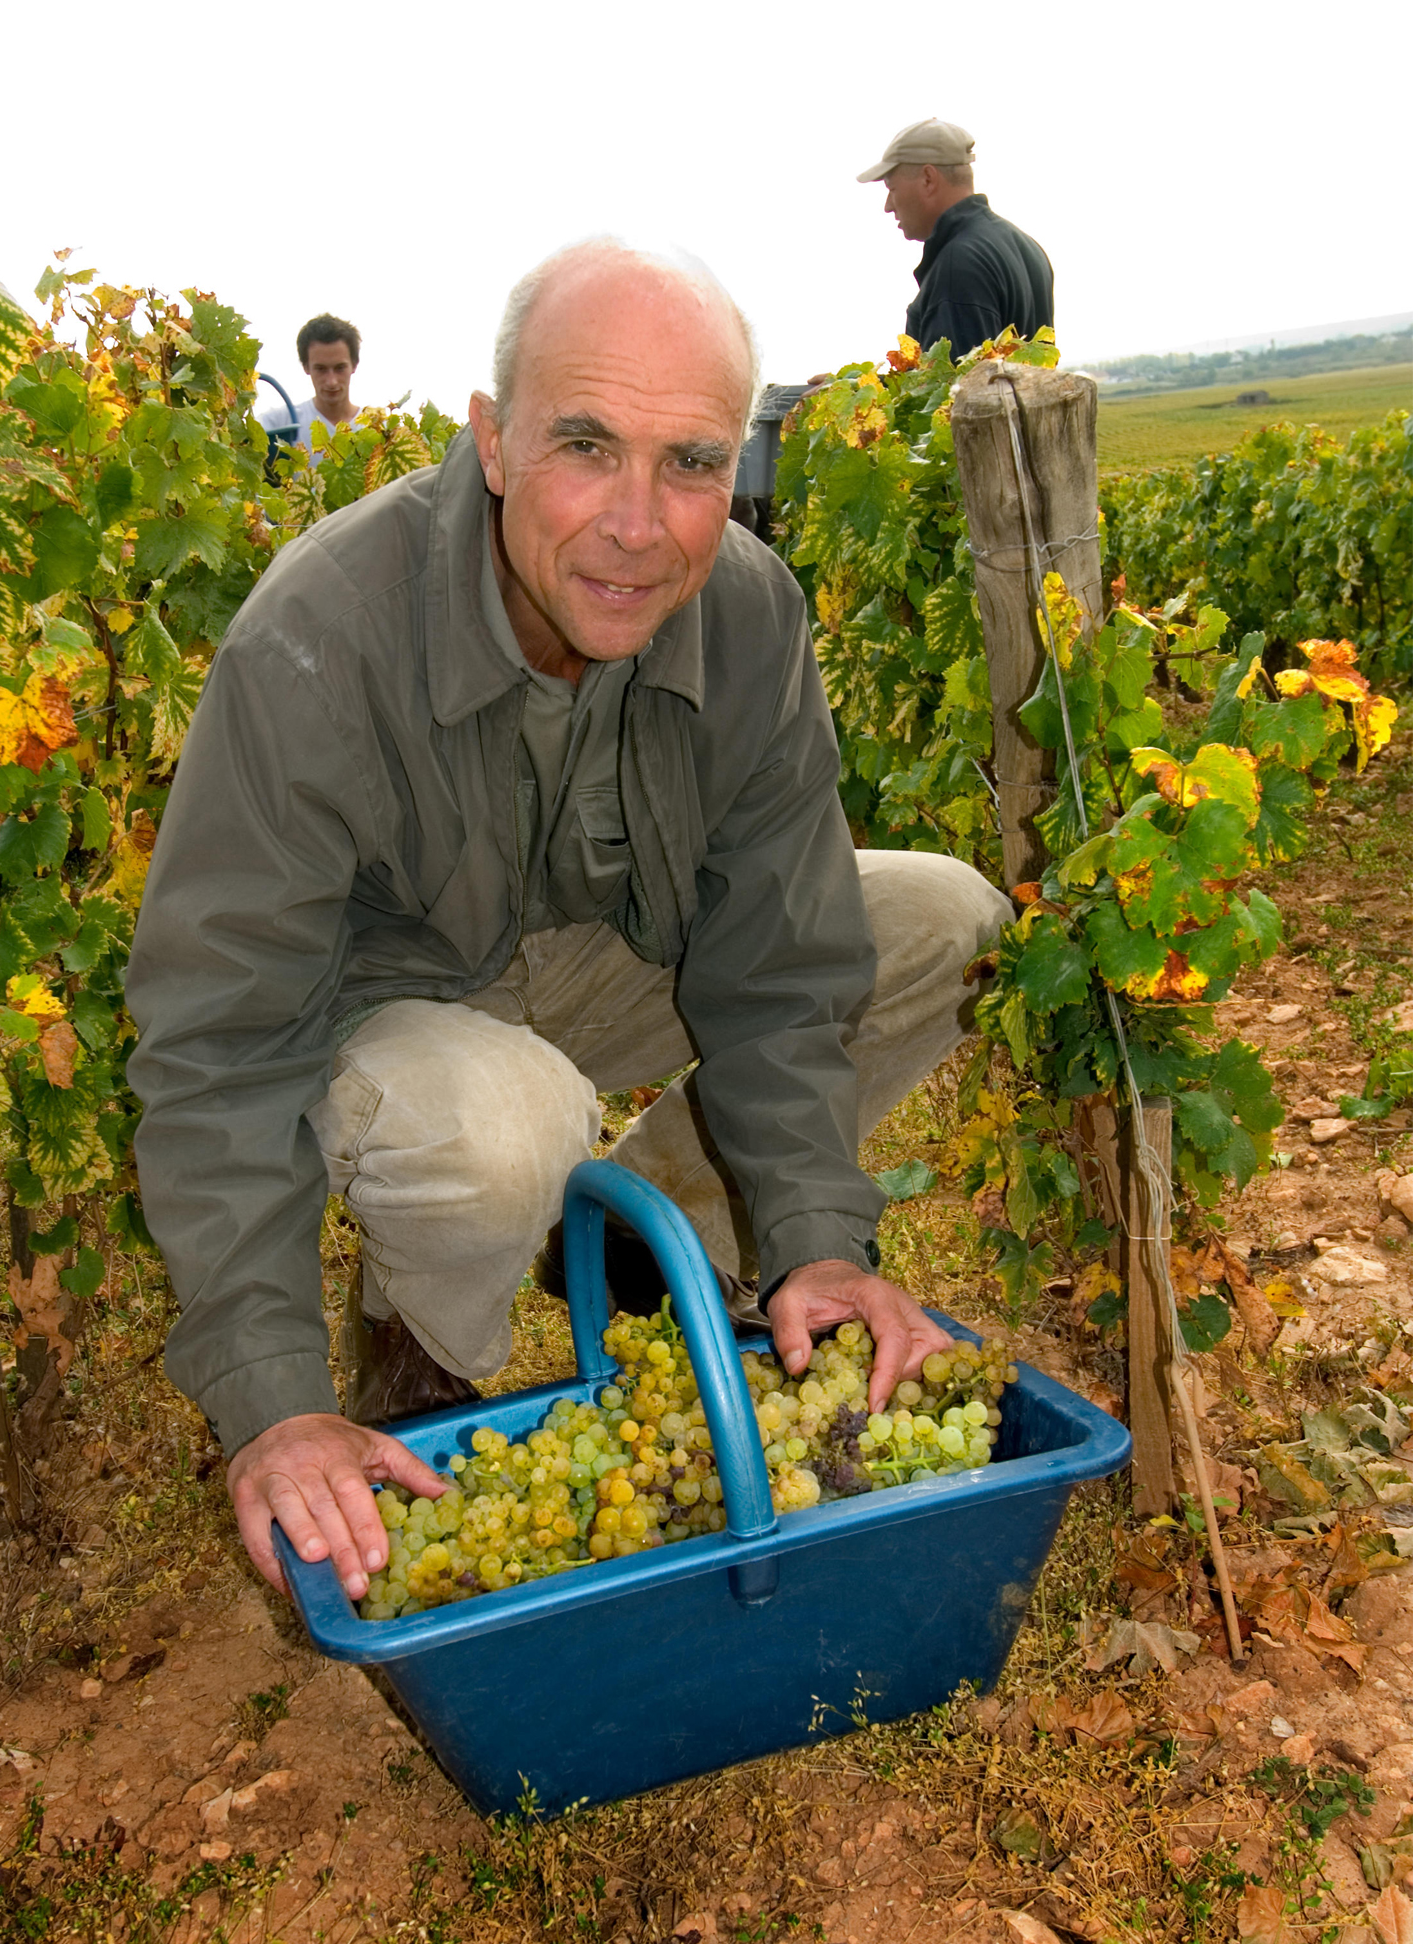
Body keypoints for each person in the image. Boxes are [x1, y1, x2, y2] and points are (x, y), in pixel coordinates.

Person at [125, 240, 1011, 1602]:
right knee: (506, 1126)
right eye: (588, 446)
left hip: (599, 960)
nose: (640, 523)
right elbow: (220, 1035)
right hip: (388, 1006)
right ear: (490, 444)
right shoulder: (319, 637)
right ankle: (421, 1340)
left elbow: (779, 957)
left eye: (693, 462)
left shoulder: (747, 613)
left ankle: (657, 1235)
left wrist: (823, 1237)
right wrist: (268, 1398)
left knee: (942, 920)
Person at [858, 119, 1053, 356]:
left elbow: (952, 389)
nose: (888, 206)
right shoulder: (1026, 246)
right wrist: (852, 385)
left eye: (892, 188)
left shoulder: (958, 263)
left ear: (928, 179)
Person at [259, 313, 361, 460]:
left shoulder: (379, 428)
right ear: (306, 367)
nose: (331, 381)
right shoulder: (278, 423)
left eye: (340, 368)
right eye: (321, 369)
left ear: (354, 364)